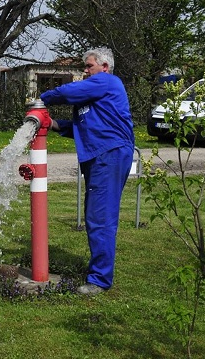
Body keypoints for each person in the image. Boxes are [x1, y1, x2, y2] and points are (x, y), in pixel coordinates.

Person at [40, 47, 135, 296]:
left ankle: (100, 280)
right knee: (95, 215)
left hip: (110, 154)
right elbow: (84, 126)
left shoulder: (107, 81)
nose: (85, 70)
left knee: (100, 217)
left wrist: (43, 98)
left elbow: (68, 91)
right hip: (102, 155)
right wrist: (54, 124)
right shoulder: (96, 95)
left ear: (104, 67)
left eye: (89, 65)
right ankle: (99, 273)